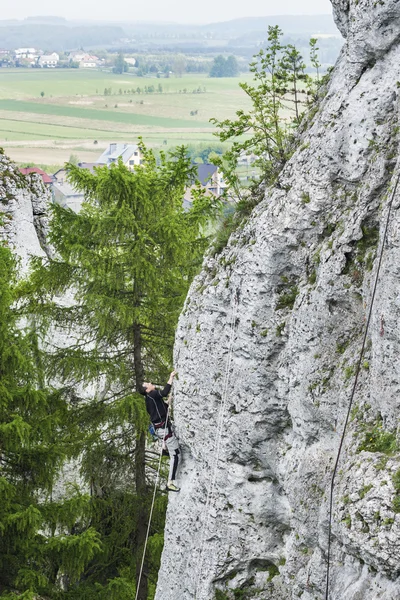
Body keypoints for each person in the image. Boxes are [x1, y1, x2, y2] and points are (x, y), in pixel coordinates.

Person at [141, 371, 180, 492]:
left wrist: (168, 402)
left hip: (160, 428)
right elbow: (163, 392)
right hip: (164, 429)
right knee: (177, 454)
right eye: (148, 384)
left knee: (174, 451)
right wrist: (171, 377)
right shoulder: (152, 394)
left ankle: (165, 449)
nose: (151, 383)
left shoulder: (149, 399)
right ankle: (170, 482)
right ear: (147, 390)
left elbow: (160, 409)